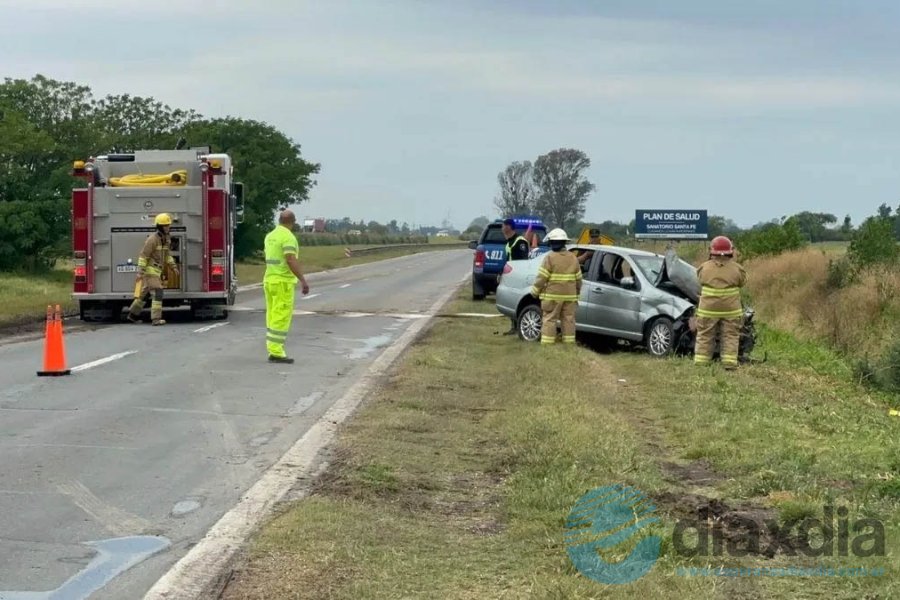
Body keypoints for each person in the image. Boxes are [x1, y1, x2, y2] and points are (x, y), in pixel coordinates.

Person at [693, 235, 747, 370]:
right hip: (731, 310)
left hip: (708, 310)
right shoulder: (737, 268)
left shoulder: (704, 267)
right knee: (730, 335)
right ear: (731, 251)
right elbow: (742, 282)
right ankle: (729, 363)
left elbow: (699, 280)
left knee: (705, 334)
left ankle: (701, 362)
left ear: (712, 251)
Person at [263, 210, 310, 363]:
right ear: (293, 222)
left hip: (269, 280)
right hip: (283, 281)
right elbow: (290, 260)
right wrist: (302, 280)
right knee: (281, 316)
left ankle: (272, 348)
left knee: (272, 315)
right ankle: (276, 352)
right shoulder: (288, 237)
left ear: (279, 220)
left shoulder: (270, 236)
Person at [530, 228, 582, 345]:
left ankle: (547, 346)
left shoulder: (549, 257)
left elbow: (541, 278)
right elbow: (579, 279)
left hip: (552, 296)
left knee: (549, 320)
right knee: (569, 321)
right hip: (569, 297)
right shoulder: (573, 258)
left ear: (551, 243)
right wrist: (577, 294)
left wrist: (534, 291)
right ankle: (568, 345)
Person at [127, 213, 179, 325]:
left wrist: (173, 266)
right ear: (159, 227)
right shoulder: (152, 239)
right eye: (165, 226)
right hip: (150, 271)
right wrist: (140, 271)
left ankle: (132, 315)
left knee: (145, 294)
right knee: (158, 291)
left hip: (157, 271)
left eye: (168, 225)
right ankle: (156, 319)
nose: (168, 227)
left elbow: (167, 255)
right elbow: (143, 256)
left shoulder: (166, 239)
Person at [501, 218, 532, 334]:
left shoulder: (520, 242)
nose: (502, 228)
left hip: (518, 276)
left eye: (503, 226)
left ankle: (518, 327)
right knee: (510, 300)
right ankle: (513, 327)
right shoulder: (509, 242)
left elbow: (522, 261)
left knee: (516, 301)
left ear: (508, 227)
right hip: (510, 275)